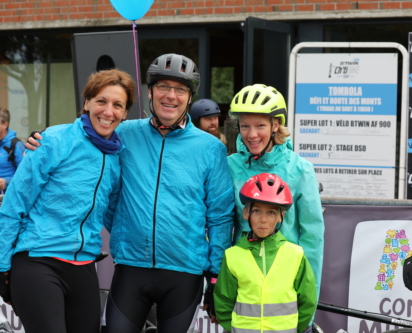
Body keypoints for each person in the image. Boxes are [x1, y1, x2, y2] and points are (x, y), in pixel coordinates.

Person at [27, 54, 235, 333]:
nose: (171, 96)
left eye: (180, 89)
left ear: (189, 97)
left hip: (184, 273)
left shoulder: (211, 148)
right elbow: (86, 136)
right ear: (150, 92)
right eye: (163, 87)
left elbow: (220, 216)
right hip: (130, 269)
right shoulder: (123, 133)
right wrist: (45, 137)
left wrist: (214, 274)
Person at [0, 69, 135, 333]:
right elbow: (14, 206)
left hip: (83, 267)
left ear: (125, 114)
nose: (108, 111)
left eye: (118, 105)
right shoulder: (54, 141)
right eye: (101, 101)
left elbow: (116, 217)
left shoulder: (116, 157)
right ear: (87, 103)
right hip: (38, 261)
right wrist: (1, 267)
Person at [226, 83, 324, 302]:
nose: (251, 135)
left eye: (260, 125)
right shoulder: (230, 166)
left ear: (275, 125)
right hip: (244, 281)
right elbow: (222, 225)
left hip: (285, 281)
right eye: (244, 126)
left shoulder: (301, 169)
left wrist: (309, 294)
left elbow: (312, 235)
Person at [214, 173, 317, 333]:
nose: (263, 219)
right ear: (246, 213)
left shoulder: (295, 255)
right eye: (256, 211)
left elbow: (308, 301)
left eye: (271, 213)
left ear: (280, 217)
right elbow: (223, 301)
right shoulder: (233, 256)